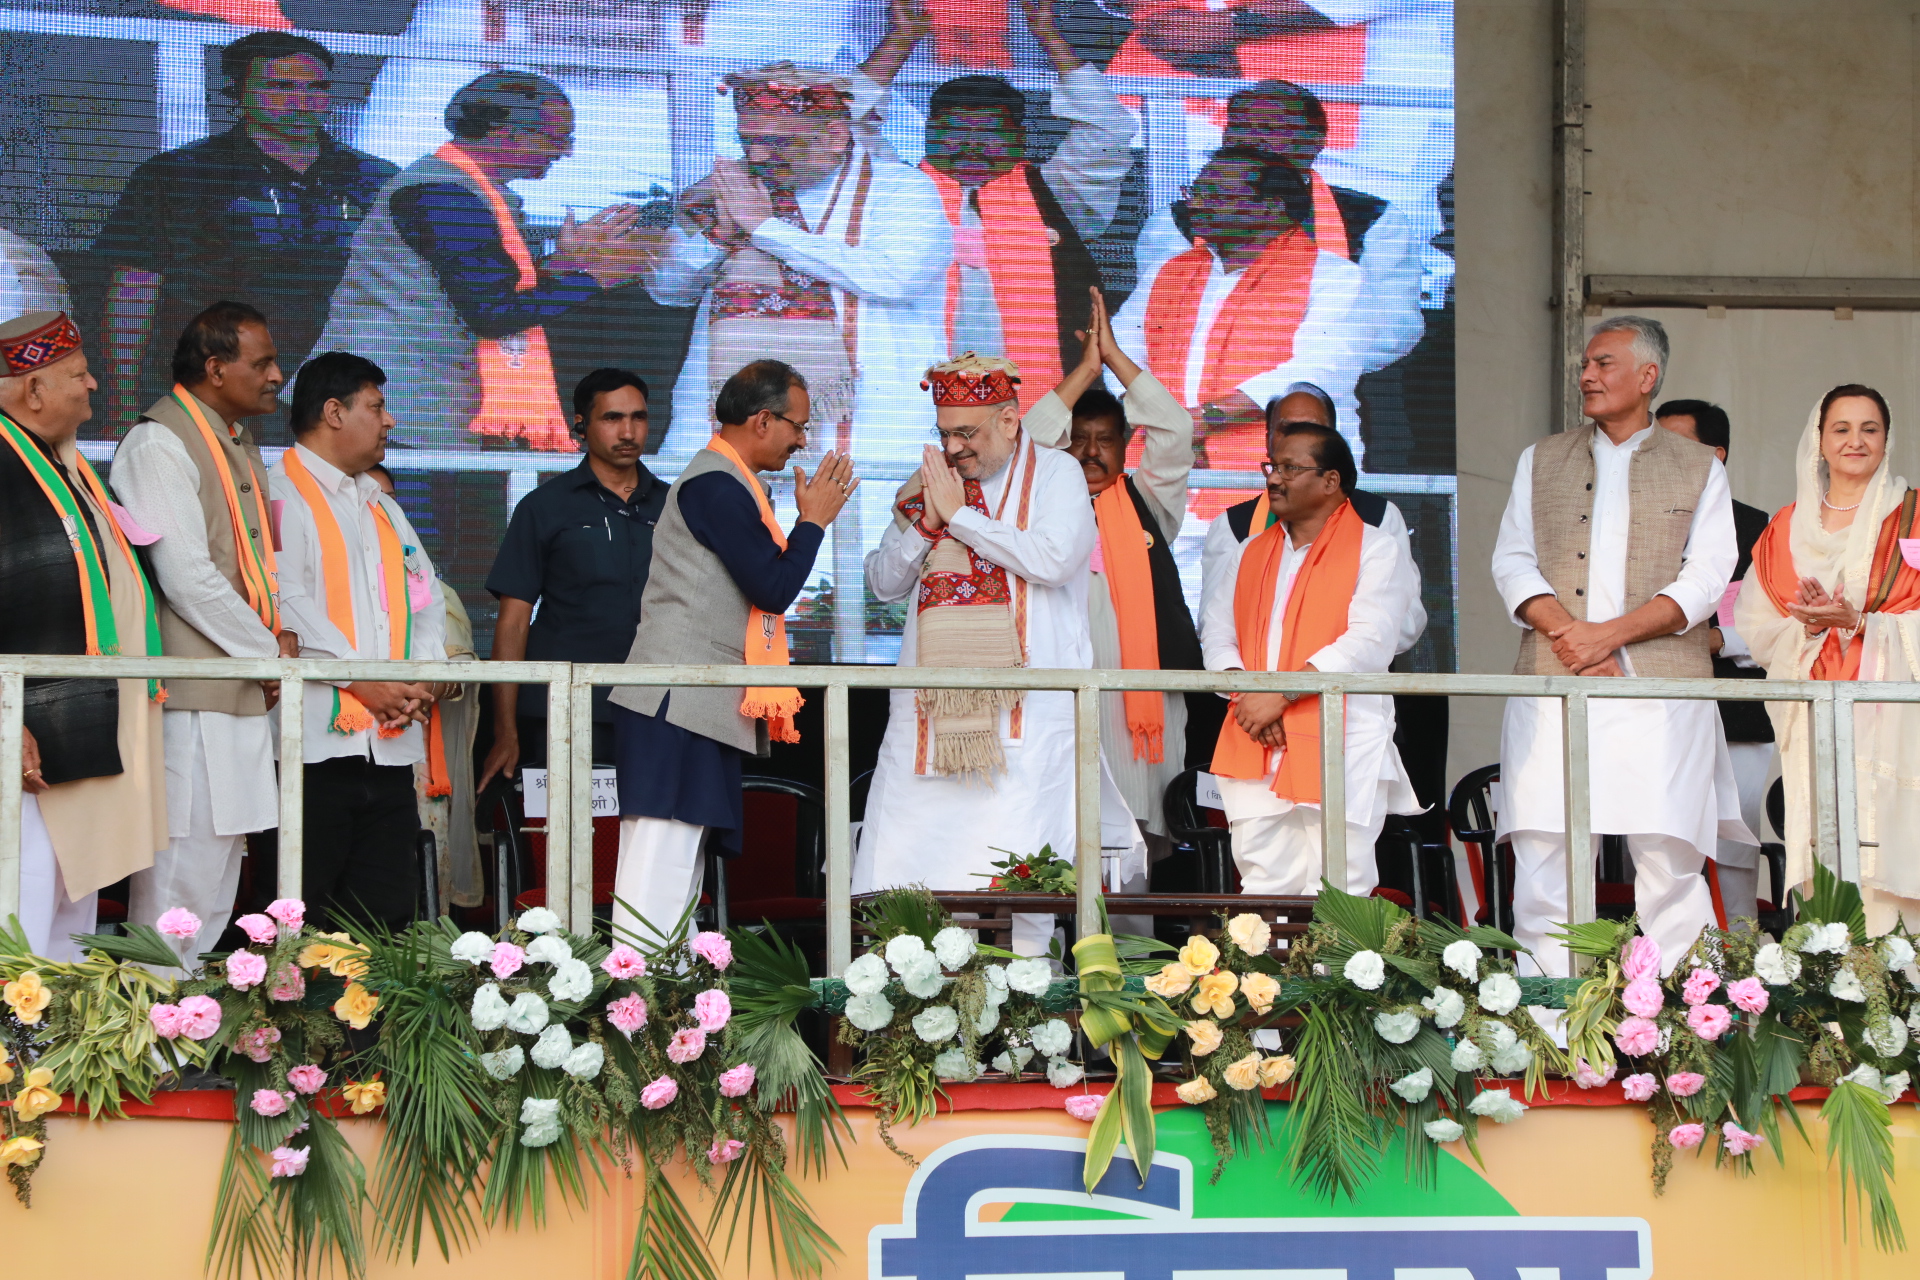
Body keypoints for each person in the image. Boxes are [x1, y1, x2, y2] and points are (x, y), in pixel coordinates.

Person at [854, 353, 1145, 954]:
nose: (955, 447)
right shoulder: (931, 482)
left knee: (1025, 880)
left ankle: (1028, 1012)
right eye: (945, 433)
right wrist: (928, 526)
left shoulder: (1058, 475)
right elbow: (882, 582)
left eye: (968, 432)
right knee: (914, 870)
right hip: (932, 719)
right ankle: (915, 1002)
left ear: (1012, 422)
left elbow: (1054, 559)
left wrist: (960, 518)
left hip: (1029, 720)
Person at [1491, 317, 1746, 977]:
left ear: (1647, 377)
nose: (1587, 375)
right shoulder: (1540, 457)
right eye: (1586, 364)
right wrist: (1569, 635)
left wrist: (1607, 636)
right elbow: (1512, 562)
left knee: (1669, 860)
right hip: (1554, 682)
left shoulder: (1697, 466)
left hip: (1659, 693)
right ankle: (1547, 1028)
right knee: (1546, 855)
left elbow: (1706, 578)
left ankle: (1681, 1035)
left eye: (1604, 364)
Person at [605, 360, 857, 938]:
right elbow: (772, 587)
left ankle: (668, 1010)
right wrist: (813, 522)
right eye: (798, 425)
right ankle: (637, 1006)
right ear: (763, 420)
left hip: (693, 703)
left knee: (678, 871)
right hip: (676, 701)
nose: (802, 439)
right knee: (657, 871)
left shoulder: (730, 481)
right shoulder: (716, 484)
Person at [312, 71, 649, 452]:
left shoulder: (465, 186)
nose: (566, 151)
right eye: (558, 138)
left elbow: (470, 287)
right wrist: (596, 278)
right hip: (391, 397)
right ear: (507, 135)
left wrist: (562, 265)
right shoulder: (445, 194)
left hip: (404, 395)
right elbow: (492, 313)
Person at [646, 60, 952, 465]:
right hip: (719, 414)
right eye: (747, 140)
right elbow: (667, 290)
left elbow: (896, 276)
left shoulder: (901, 188)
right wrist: (718, 236)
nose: (757, 154)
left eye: (779, 143)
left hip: (868, 420)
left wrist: (764, 228)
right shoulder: (730, 187)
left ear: (835, 136)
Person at [109, 302, 296, 960]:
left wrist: (272, 646)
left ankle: (180, 1035)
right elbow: (186, 574)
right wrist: (269, 652)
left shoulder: (234, 439)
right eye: (263, 362)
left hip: (239, 686)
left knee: (217, 879)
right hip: (192, 696)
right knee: (177, 882)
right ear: (215, 369)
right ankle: (146, 1038)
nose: (278, 374)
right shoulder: (159, 441)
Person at [93, 32, 398, 429]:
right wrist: (122, 405)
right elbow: (134, 289)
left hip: (341, 392)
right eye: (280, 86)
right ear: (236, 91)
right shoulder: (181, 174)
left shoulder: (378, 180)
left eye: (317, 87)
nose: (301, 101)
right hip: (214, 389)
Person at [860, 0, 1135, 408]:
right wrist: (900, 40)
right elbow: (839, 124)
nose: (972, 146)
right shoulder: (895, 190)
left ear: (1020, 138)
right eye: (954, 131)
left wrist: (1048, 35)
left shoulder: (1057, 190)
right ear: (928, 132)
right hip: (912, 403)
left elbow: (1109, 127)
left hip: (1029, 411)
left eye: (990, 132)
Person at [0, 311, 166, 959]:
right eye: (77, 375)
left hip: (77, 731)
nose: (95, 384)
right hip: (25, 739)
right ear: (32, 391)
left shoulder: (60, 460)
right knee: (23, 913)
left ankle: (57, 1058)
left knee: (68, 920)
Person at [1136, 79, 1426, 435]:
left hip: (1333, 404)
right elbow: (1158, 323)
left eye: (1270, 129)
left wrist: (1293, 368)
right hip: (1193, 406)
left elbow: (1395, 326)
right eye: (1239, 127)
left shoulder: (1372, 218)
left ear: (1315, 142)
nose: (1252, 139)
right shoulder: (1179, 220)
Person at [1201, 419, 1417, 896]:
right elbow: (1217, 637)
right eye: (1272, 466)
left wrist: (1279, 694)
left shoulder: (1376, 549)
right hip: (1253, 732)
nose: (1274, 478)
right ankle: (1266, 974)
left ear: (1331, 481)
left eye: (1290, 468)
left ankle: (1331, 975)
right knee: (1262, 882)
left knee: (1340, 886)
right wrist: (1253, 699)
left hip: (1340, 738)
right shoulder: (1247, 553)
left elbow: (1369, 640)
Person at [272, 351, 448, 930]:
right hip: (311, 749)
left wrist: (424, 674)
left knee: (386, 917)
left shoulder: (382, 505)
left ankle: (370, 1027)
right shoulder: (276, 489)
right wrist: (359, 676)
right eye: (376, 406)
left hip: (389, 744)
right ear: (333, 412)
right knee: (303, 915)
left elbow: (426, 598)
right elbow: (283, 598)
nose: (389, 420)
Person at [1735, 385, 1920, 934]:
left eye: (1870, 429)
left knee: (1892, 852)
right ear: (1819, 440)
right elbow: (1756, 624)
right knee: (1827, 850)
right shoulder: (1786, 528)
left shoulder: (1912, 518)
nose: (1855, 441)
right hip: (1816, 714)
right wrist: (1810, 625)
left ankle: (1900, 1002)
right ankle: (1833, 1006)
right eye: (1841, 429)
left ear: (1888, 439)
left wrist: (1861, 622)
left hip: (1893, 716)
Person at [1025, 287, 1201, 842]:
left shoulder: (1150, 500)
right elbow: (1022, 444)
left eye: (1105, 441)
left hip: (1139, 708)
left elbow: (1176, 429)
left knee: (1139, 846)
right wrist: (1083, 371)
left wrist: (1116, 358)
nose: (1091, 452)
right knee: (1058, 844)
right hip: (1059, 697)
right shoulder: (1036, 506)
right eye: (1077, 440)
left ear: (1126, 448)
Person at [1112, 147, 1361, 517]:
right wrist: (1153, 414)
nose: (1196, 205)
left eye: (1215, 195)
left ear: (1272, 207)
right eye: (1194, 192)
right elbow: (1120, 347)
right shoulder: (1168, 271)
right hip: (1161, 465)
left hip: (1276, 475)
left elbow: (1318, 370)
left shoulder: (1333, 275)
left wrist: (1199, 421)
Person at [481, 369, 667, 789]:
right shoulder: (544, 507)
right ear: (579, 425)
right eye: (612, 418)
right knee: (565, 846)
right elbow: (512, 622)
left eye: (638, 417)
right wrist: (505, 729)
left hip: (658, 710)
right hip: (562, 713)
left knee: (650, 846)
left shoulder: (674, 506)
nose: (628, 431)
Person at [1656, 398, 1773, 926]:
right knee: (1659, 844)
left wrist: (1716, 639)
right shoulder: (1636, 524)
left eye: (1678, 447)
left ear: (1717, 455)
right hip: (1655, 710)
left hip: (1737, 714)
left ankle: (1744, 970)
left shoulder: (1757, 527)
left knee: (1735, 846)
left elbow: (1774, 622)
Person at [1201, 383, 1424, 660]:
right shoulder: (1235, 529)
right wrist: (1248, 691)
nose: (1299, 438)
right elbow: (1217, 630)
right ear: (1269, 438)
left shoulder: (1379, 519)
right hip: (1254, 696)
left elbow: (1405, 627)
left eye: (1312, 428)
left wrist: (1314, 634)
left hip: (1344, 694)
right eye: (1288, 429)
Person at [369, 462, 483, 913]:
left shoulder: (434, 589)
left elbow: (462, 670)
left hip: (416, 752)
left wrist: (422, 687)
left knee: (419, 876)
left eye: (385, 500)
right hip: (341, 746)